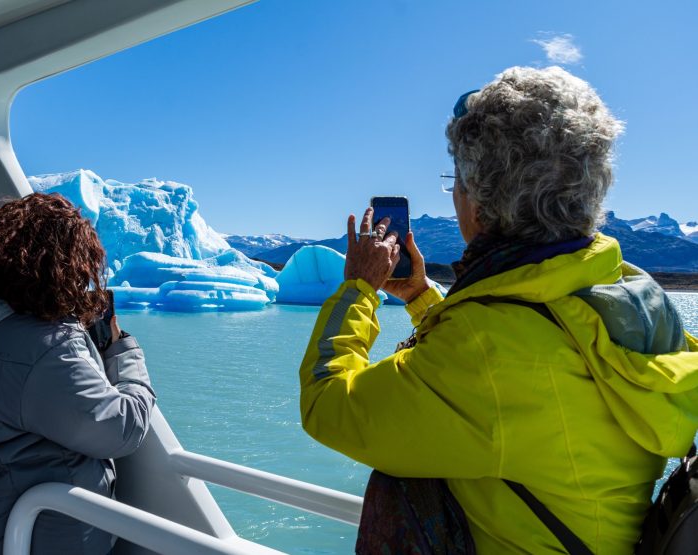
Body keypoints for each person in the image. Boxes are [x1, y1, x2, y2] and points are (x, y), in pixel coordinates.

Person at [299, 66, 698, 553]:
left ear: (482, 201)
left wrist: (360, 289)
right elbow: (520, 363)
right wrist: (423, 299)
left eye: (458, 182)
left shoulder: (483, 347)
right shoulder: (632, 291)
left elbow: (330, 406)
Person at [0, 193, 156, 554]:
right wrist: (122, 350)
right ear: (61, 264)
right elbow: (121, 430)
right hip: (44, 541)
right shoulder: (43, 350)